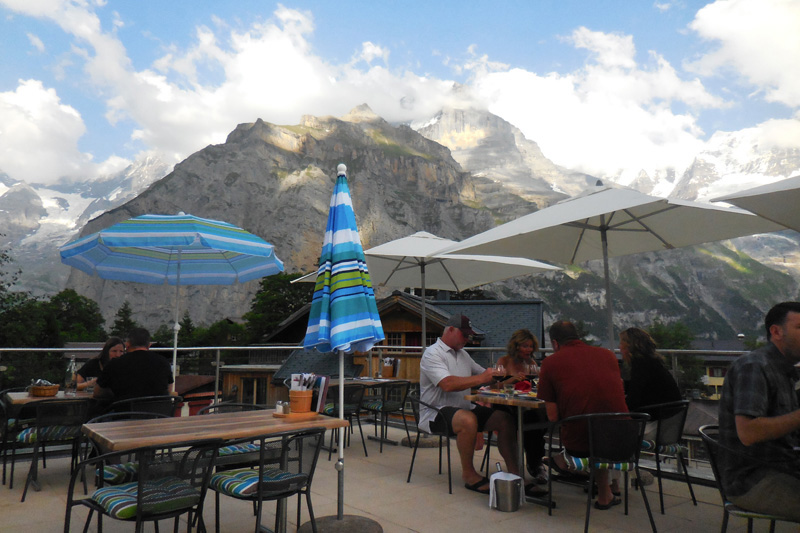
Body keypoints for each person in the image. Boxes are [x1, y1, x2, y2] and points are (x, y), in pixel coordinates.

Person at [419, 314, 519, 495]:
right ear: (450, 330)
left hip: (464, 408)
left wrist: (509, 377)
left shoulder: (463, 354)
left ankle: (515, 473)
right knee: (468, 420)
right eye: (464, 335)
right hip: (435, 413)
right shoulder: (432, 353)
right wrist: (484, 377)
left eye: (469, 335)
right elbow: (447, 384)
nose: (467, 339)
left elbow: (486, 378)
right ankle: (469, 474)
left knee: (505, 419)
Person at [717, 302, 800, 521]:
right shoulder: (755, 366)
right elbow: (749, 433)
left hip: (781, 467)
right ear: (776, 331)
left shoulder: (783, 370)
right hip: (753, 480)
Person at [537, 320, 628, 510]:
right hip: (623, 439)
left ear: (555, 343)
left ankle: (561, 463)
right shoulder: (607, 355)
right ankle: (605, 495)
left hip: (583, 445)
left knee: (584, 432)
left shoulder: (550, 362)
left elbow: (553, 417)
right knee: (597, 428)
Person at [493, 329, 548, 486]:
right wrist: (512, 379)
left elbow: (535, 385)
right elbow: (495, 385)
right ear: (516, 346)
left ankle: (534, 462)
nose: (529, 350)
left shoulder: (530, 364)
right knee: (525, 422)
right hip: (505, 405)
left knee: (538, 420)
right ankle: (531, 464)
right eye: (525, 346)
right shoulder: (504, 361)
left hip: (525, 405)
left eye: (531, 346)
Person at [620, 327, 681, 440]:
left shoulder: (640, 365)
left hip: (656, 426)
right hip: (671, 424)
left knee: (608, 429)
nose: (619, 348)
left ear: (629, 346)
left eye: (621, 344)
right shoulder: (652, 362)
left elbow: (634, 400)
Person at [94, 327, 174, 402]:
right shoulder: (164, 362)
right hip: (159, 414)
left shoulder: (114, 364)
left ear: (127, 345)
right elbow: (169, 389)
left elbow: (97, 393)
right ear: (149, 345)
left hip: (125, 414)